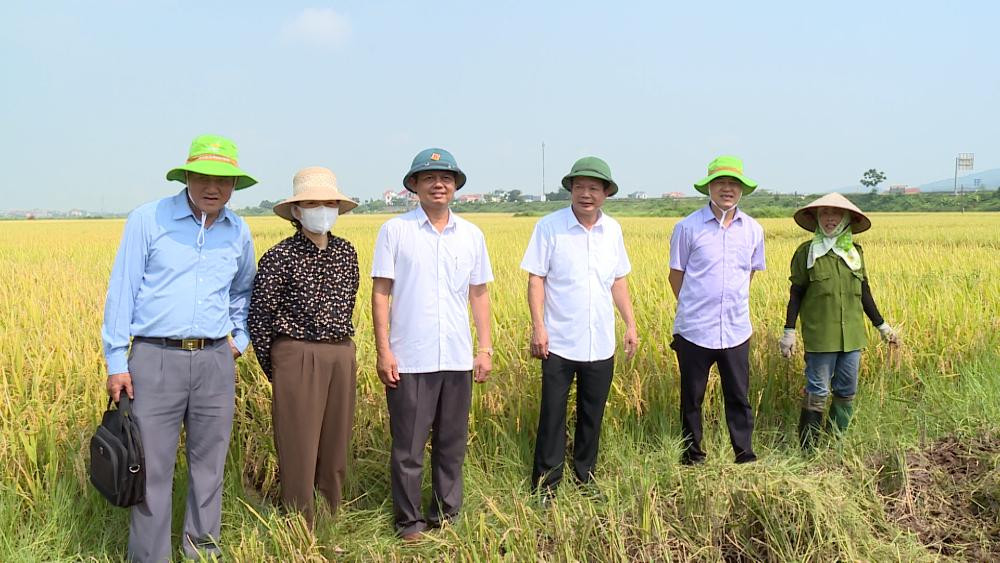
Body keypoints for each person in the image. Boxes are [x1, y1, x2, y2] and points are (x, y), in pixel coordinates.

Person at [102, 134, 257, 562]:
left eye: (224, 180)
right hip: (155, 358)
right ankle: (149, 557)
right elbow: (123, 291)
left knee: (209, 467)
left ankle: (202, 551)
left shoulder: (238, 231)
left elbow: (243, 292)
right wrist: (117, 360)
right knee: (150, 468)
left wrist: (238, 341)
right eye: (204, 176)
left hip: (214, 362)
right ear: (186, 176)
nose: (214, 187)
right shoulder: (148, 220)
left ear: (234, 185)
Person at [371, 148, 494, 541]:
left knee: (451, 443)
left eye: (445, 178)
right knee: (408, 447)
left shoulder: (472, 235)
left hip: (457, 357)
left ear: (455, 186)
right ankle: (409, 522)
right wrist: (384, 350)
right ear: (414, 187)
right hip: (410, 357)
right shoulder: (395, 231)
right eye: (429, 178)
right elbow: (380, 294)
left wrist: (485, 347)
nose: (438, 184)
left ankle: (447, 514)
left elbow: (479, 294)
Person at [248, 166, 360, 524]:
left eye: (328, 203)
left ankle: (329, 517)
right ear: (296, 212)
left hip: (341, 351)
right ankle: (299, 522)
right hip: (295, 353)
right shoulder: (279, 257)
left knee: (336, 443)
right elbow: (259, 318)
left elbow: (350, 300)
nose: (321, 210)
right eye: (311, 203)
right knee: (299, 445)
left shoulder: (347, 253)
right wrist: (280, 367)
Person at [521, 156, 638, 496]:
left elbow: (618, 281)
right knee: (553, 415)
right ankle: (546, 486)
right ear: (571, 189)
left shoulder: (612, 230)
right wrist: (538, 326)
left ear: (605, 193)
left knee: (592, 414)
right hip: (558, 341)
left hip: (600, 342)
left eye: (594, 188)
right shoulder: (549, 227)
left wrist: (630, 323)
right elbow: (536, 279)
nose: (586, 194)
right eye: (580, 187)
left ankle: (585, 478)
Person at [779, 193, 900, 449]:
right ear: (816, 219)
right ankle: (808, 450)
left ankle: (836, 444)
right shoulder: (806, 253)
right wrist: (789, 330)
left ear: (846, 219)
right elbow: (796, 293)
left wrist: (882, 326)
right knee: (817, 392)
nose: (830, 218)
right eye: (824, 213)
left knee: (846, 391)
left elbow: (864, 292)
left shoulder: (855, 254)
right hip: (820, 336)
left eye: (836, 214)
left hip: (853, 337)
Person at [668, 155, 764, 465]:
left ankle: (744, 452)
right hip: (695, 329)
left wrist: (729, 301)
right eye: (720, 183)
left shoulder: (753, 230)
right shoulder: (687, 227)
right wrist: (695, 306)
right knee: (692, 398)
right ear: (709, 187)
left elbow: (749, 272)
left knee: (738, 395)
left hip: (735, 328)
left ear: (741, 190)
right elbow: (676, 274)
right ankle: (692, 454)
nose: (727, 189)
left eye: (733, 184)